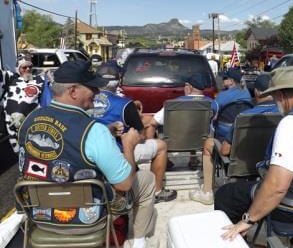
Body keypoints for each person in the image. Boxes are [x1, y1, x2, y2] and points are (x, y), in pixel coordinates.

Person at [17, 60, 157, 248]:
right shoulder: (93, 130)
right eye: (92, 87)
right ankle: (139, 241)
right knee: (146, 179)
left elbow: (63, 144)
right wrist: (128, 146)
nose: (97, 92)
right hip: (86, 220)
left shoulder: (29, 120)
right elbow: (124, 184)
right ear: (73, 91)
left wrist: (104, 132)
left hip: (40, 216)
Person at [214, 66, 293, 241]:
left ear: (281, 95)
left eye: (274, 97)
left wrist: (248, 219)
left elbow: (277, 187)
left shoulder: (291, 123)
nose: (275, 101)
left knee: (226, 194)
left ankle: (235, 240)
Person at [91, 65, 177, 203]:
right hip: (119, 151)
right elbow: (141, 136)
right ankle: (157, 191)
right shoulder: (125, 104)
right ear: (118, 82)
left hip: (89, 149)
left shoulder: (85, 101)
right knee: (160, 146)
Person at [189, 73, 278, 205]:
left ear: (257, 91)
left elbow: (225, 151)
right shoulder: (284, 115)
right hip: (269, 164)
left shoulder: (243, 117)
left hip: (243, 164)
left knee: (208, 143)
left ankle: (207, 192)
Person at [146, 73, 219, 168]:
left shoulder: (174, 104)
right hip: (200, 142)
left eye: (185, 85)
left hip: (174, 142)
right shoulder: (213, 104)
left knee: (153, 125)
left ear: (189, 87)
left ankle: (164, 159)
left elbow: (153, 122)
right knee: (196, 125)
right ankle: (193, 159)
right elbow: (214, 120)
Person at [1, 57, 44, 153]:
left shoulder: (40, 79)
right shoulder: (11, 78)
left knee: (33, 149)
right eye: (24, 68)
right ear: (18, 69)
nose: (28, 69)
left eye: (30, 67)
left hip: (32, 124)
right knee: (18, 151)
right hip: (12, 125)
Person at [215, 68, 252, 140]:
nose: (222, 79)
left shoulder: (222, 95)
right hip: (242, 128)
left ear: (231, 81)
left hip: (224, 129)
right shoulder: (247, 94)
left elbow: (213, 113)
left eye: (225, 78)